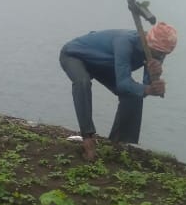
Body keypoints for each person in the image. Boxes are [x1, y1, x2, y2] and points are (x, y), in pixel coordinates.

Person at [58, 22, 178, 160]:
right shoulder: (125, 42)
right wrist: (148, 89)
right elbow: (123, 83)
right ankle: (88, 138)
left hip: (104, 65)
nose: (160, 56)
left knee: (134, 94)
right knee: (82, 82)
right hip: (75, 56)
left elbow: (146, 86)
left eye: (164, 54)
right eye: (158, 52)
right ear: (149, 43)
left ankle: (119, 143)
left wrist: (156, 81)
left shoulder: (158, 52)